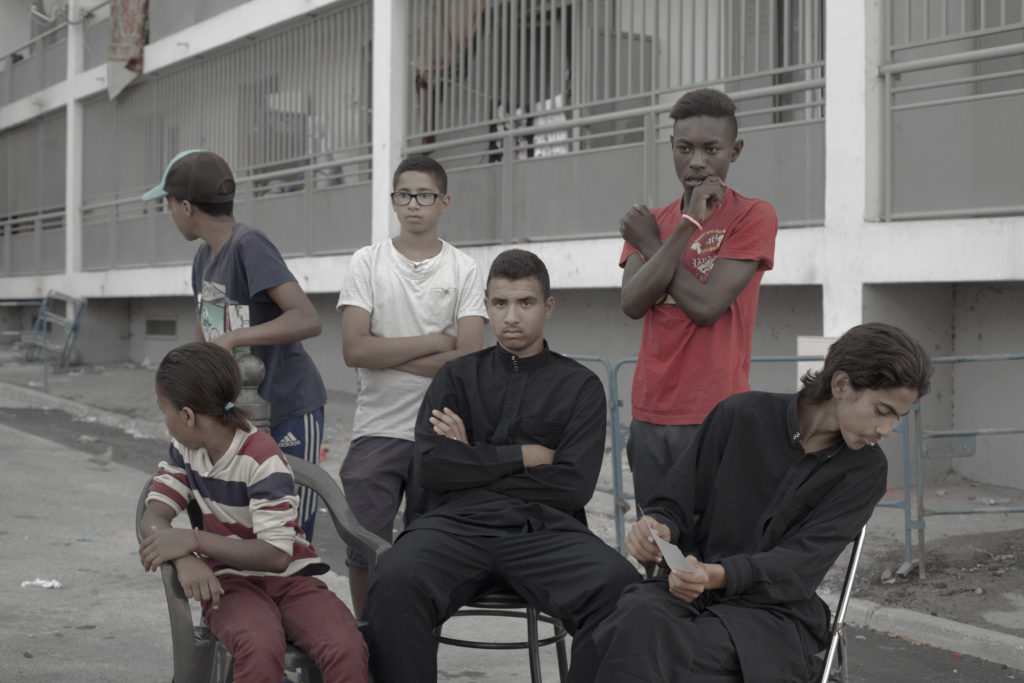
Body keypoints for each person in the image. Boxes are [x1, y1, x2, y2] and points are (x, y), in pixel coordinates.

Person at [591, 322, 934, 682]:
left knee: (657, 651)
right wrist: (656, 525)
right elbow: (676, 500)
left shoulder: (865, 471)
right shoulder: (742, 414)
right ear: (841, 385)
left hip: (772, 618)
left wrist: (715, 576)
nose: (887, 430)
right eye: (883, 411)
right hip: (689, 593)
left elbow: (797, 566)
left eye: (898, 416)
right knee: (621, 621)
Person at [364, 249, 640, 683]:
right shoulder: (455, 378)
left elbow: (572, 487)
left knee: (622, 589)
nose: (511, 317)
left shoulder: (580, 387)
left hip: (544, 531)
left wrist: (470, 458)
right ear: (486, 306)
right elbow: (433, 468)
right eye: (499, 303)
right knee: (394, 581)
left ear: (547, 308)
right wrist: (524, 456)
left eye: (525, 303)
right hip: (455, 527)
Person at [138, 342, 367, 683]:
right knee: (258, 646)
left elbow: (276, 555)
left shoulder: (262, 458)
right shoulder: (184, 450)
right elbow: (153, 519)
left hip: (292, 579)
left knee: (345, 647)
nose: (165, 420)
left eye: (165, 410)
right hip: (229, 584)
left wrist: (193, 539)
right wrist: (186, 559)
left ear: (187, 415)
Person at [142, 149, 327, 541]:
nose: (170, 212)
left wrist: (232, 339)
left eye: (169, 204)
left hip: (288, 408)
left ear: (187, 206)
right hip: (240, 415)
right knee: (246, 524)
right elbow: (204, 331)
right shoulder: (202, 260)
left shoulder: (249, 245)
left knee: (289, 531)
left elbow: (307, 318)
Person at [337, 154, 487, 617]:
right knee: (363, 546)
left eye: (424, 195)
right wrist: (433, 341)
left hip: (440, 431)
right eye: (404, 195)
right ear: (393, 201)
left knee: (428, 552)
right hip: (376, 430)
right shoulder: (368, 261)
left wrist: (389, 353)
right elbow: (354, 351)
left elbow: (469, 360)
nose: (413, 205)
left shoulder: (464, 268)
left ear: (444, 202)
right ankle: (365, 634)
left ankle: (415, 641)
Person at [619, 88, 778, 509]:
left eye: (711, 149)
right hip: (650, 411)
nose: (697, 162)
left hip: (714, 412)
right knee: (656, 545)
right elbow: (633, 303)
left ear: (735, 150)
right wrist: (676, 229)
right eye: (685, 148)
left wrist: (669, 236)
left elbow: (707, 308)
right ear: (671, 148)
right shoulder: (652, 221)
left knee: (712, 544)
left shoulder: (753, 215)